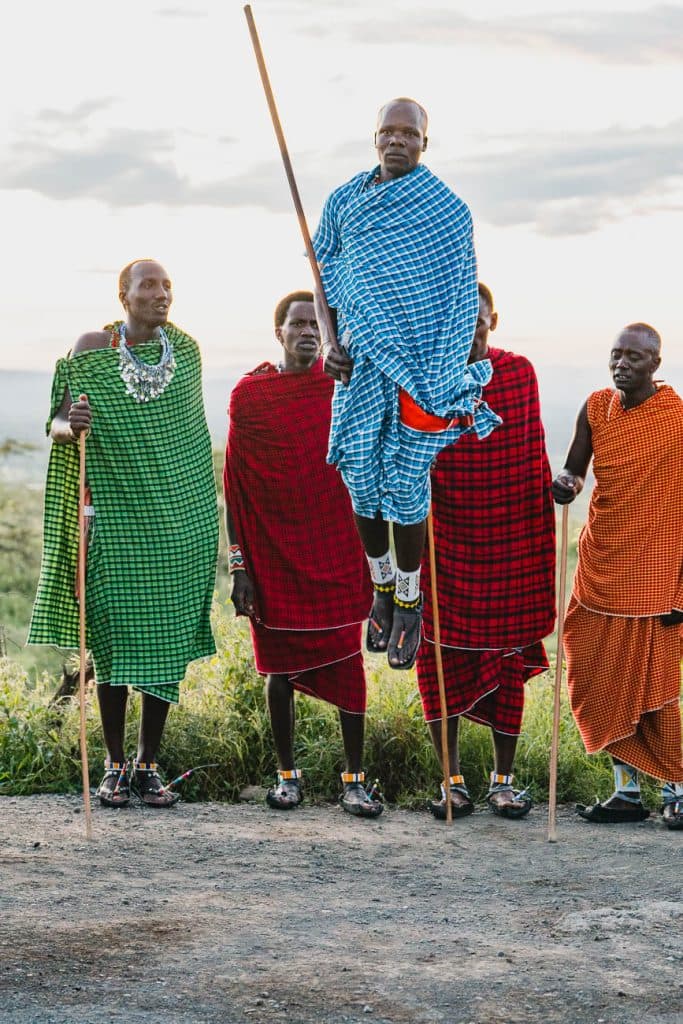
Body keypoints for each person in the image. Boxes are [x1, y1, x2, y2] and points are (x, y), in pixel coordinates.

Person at [312, 97, 501, 671]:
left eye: (408, 134)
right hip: (361, 361)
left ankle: (411, 601)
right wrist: (326, 340)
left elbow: (458, 297)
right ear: (373, 139)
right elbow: (322, 278)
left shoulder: (447, 210)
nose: (397, 141)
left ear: (425, 143)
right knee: (358, 473)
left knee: (407, 479)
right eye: (387, 133)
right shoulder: (344, 201)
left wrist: (441, 369)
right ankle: (382, 584)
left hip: (423, 366)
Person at [28, 259, 218, 808]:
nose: (161, 295)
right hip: (113, 519)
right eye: (149, 286)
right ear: (123, 294)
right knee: (111, 642)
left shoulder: (187, 353)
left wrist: (200, 522)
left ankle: (148, 766)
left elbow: (187, 439)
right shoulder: (92, 348)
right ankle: (113, 764)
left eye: (167, 287)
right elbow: (57, 423)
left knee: (162, 645)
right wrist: (73, 427)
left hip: (176, 525)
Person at [223, 291, 382, 818]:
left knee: (348, 664)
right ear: (280, 333)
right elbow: (236, 487)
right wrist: (240, 566)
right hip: (272, 557)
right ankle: (287, 777)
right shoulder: (251, 396)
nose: (309, 331)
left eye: (318, 324)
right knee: (280, 672)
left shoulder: (345, 387)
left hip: (337, 551)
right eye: (298, 323)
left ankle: (355, 781)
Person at [416, 284, 556, 820]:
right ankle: (451, 781)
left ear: (492, 319)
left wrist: (553, 493)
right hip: (446, 539)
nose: (465, 328)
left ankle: (503, 781)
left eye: (474, 318)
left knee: (509, 661)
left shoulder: (519, 373)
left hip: (509, 542)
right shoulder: (425, 376)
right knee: (439, 661)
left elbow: (529, 455)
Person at [553, 323, 683, 829]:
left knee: (656, 689)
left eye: (633, 356)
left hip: (656, 573)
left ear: (655, 363)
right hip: (601, 563)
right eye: (615, 355)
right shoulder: (595, 408)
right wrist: (565, 483)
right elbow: (575, 469)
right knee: (595, 675)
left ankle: (677, 789)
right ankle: (626, 792)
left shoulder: (675, 417)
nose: (621, 364)